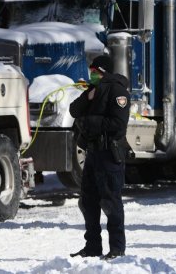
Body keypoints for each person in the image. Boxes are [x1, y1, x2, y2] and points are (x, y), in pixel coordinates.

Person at [69, 55, 130, 260]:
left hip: (109, 154)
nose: (91, 74)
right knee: (88, 202)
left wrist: (89, 122)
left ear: (103, 71)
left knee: (111, 202)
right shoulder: (93, 91)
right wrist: (88, 97)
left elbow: (118, 125)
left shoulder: (118, 91)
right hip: (93, 154)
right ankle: (93, 247)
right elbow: (73, 110)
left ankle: (117, 249)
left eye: (95, 71)